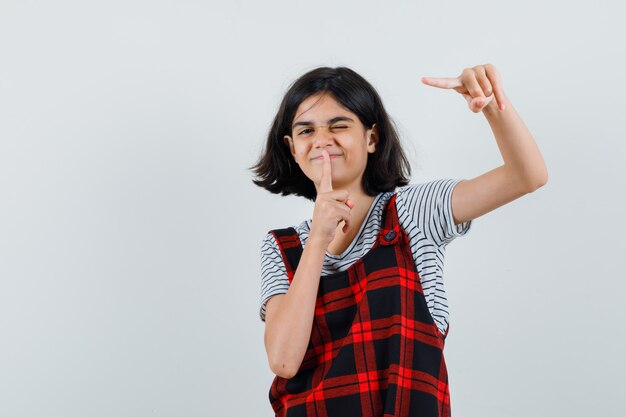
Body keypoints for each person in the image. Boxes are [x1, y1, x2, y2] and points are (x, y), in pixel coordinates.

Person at [249, 65, 548, 417]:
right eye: (306, 130)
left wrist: (492, 106)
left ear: (371, 138)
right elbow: (283, 361)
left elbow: (526, 176)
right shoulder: (281, 248)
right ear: (292, 148)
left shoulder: (413, 213)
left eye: (339, 125)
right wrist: (317, 240)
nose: (322, 139)